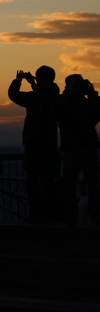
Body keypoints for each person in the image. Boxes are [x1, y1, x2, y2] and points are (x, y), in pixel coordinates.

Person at [8, 66, 61, 223]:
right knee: (48, 180)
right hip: (50, 142)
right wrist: (33, 82)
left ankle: (35, 213)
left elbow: (14, 95)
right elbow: (43, 93)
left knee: (32, 180)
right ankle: (51, 213)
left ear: (39, 78)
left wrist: (18, 81)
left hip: (33, 142)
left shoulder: (35, 97)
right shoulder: (55, 95)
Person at [55, 74, 100, 227]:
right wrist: (92, 96)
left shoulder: (78, 102)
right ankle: (86, 216)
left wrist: (92, 96)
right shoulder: (66, 102)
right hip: (84, 148)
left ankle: (73, 217)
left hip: (74, 148)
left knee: (74, 184)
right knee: (89, 184)